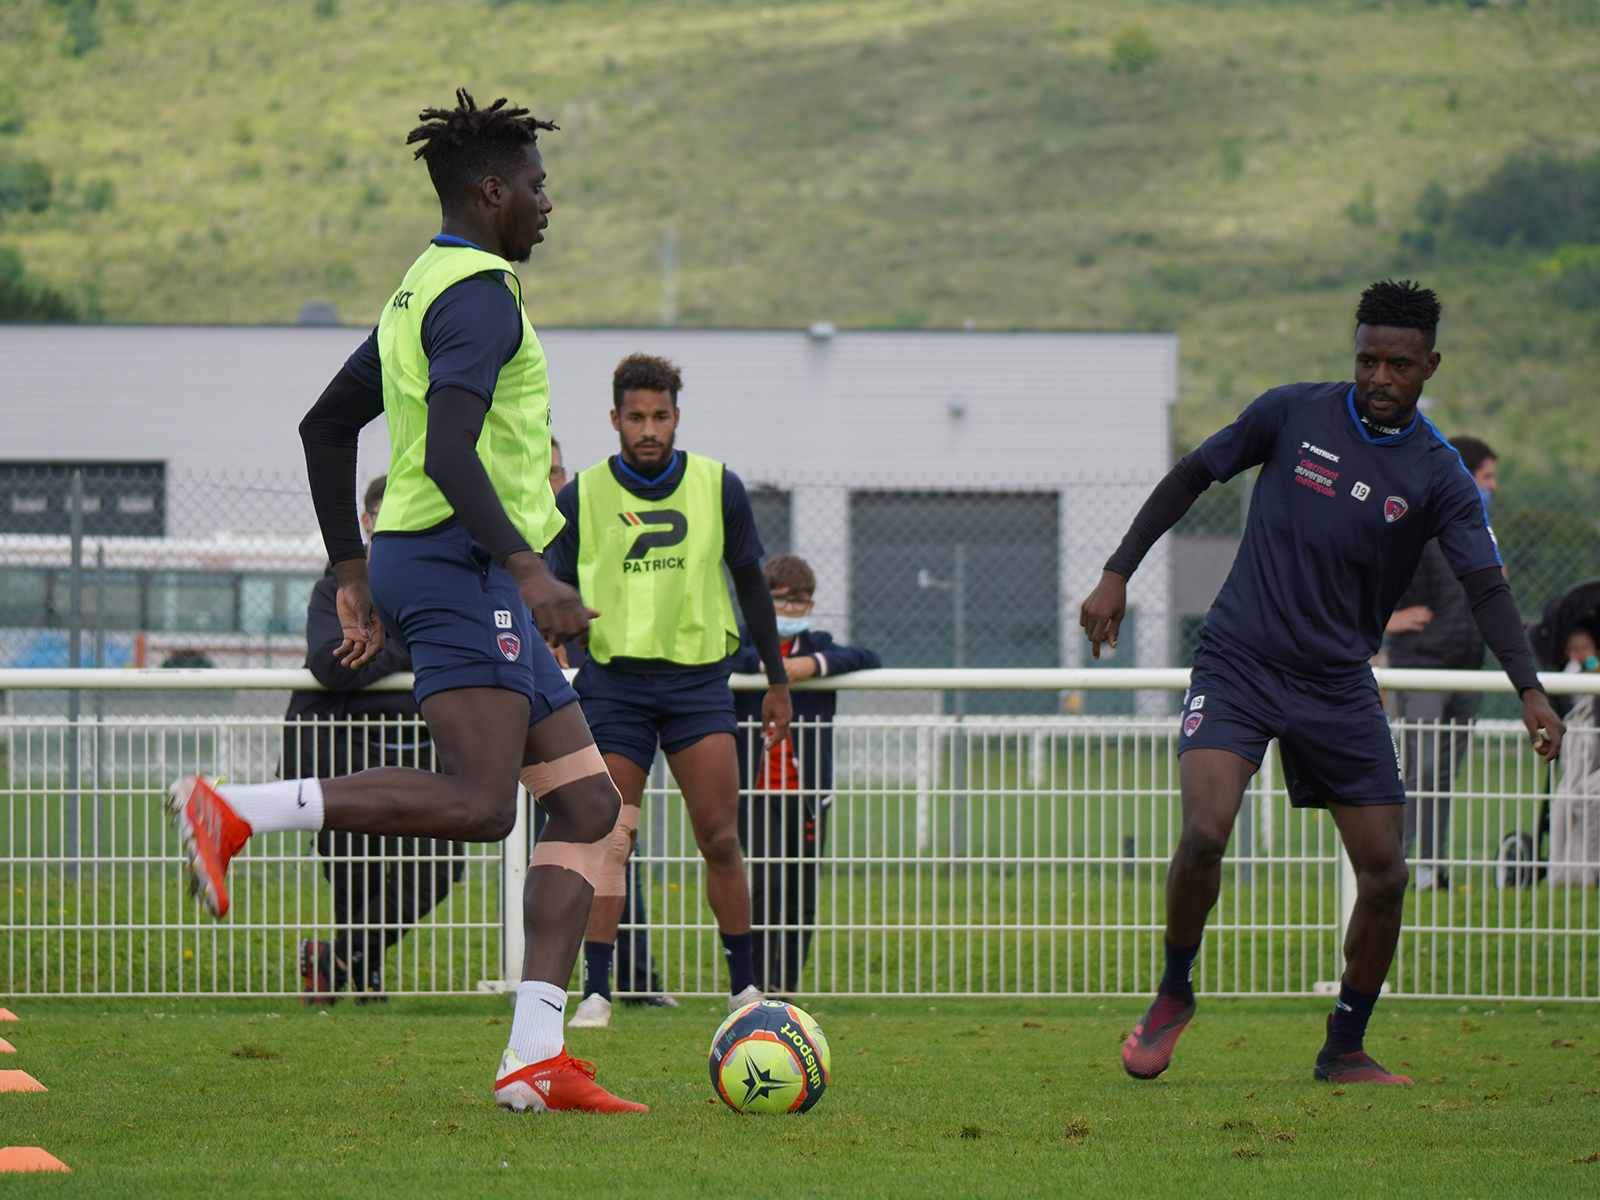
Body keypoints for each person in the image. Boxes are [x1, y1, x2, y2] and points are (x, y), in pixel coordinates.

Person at [165, 90, 645, 1114]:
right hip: (460, 567)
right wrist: (525, 566)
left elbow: (323, 426)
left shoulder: (414, 289)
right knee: (480, 804)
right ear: (491, 191)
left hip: (442, 563)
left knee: (589, 804)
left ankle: (532, 1060)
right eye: (535, 185)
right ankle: (234, 812)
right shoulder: (478, 293)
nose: (546, 203)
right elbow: (442, 451)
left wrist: (351, 570)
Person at [1080, 279, 1563, 1086]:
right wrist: (1116, 572)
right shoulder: (1292, 412)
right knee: (1204, 832)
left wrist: (1531, 689)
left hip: (1338, 683)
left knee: (1386, 874)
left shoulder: (1440, 474)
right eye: (1367, 358)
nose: (1379, 376)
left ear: (1429, 365)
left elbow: (1487, 588)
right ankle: (1172, 993)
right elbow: (1194, 474)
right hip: (1238, 661)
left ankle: (1344, 1045)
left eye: (1398, 364)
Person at [544, 352, 792, 1028]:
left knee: (718, 837)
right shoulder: (583, 494)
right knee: (610, 840)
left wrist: (776, 680)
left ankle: (744, 989)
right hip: (615, 688)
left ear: (677, 416)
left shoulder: (719, 487)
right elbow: (548, 582)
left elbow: (751, 587)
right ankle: (596, 992)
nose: (648, 429)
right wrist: (557, 628)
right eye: (636, 417)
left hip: (697, 686)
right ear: (615, 420)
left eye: (660, 416)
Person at [285, 474, 461, 1004]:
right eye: (388, 516)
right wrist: (408, 649)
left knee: (439, 865)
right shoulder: (333, 590)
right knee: (355, 872)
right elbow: (330, 665)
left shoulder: (437, 589)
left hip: (419, 754)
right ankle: (365, 978)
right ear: (366, 523)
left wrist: (382, 651)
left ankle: (339, 959)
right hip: (340, 754)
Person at [730, 554, 880, 993]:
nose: (789, 610)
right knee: (768, 882)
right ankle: (753, 985)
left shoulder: (820, 643)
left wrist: (812, 666)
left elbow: (866, 656)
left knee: (802, 892)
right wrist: (767, 669)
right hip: (754, 792)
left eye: (798, 602)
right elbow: (722, 660)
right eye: (779, 600)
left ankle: (786, 988)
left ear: (810, 605)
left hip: (808, 794)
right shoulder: (741, 642)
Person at [1384, 435, 1500, 891]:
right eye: (1488, 477)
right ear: (1464, 476)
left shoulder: (1479, 529)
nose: (1493, 486)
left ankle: (1432, 868)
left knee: (1444, 774)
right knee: (1422, 769)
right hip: (1423, 666)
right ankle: (1405, 866)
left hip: (1468, 669)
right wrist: (1388, 621)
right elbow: (1366, 575)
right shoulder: (1415, 522)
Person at [1549, 620, 1600, 887]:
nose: (1581, 653)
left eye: (1585, 647)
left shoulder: (1596, 667)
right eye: (1574, 649)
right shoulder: (1570, 673)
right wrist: (1576, 667)